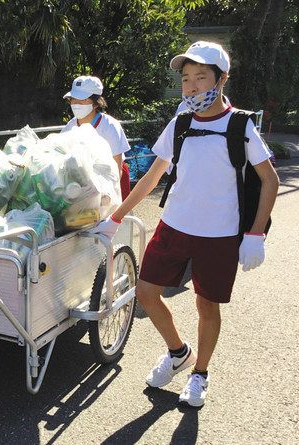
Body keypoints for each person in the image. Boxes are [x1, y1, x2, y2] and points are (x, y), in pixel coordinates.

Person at [92, 41, 279, 407]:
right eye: (186, 79)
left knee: (207, 306)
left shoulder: (240, 125)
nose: (192, 86)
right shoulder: (180, 123)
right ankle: (178, 352)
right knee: (145, 293)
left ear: (221, 79)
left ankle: (200, 374)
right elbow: (152, 178)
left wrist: (255, 234)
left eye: (200, 77)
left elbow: (270, 180)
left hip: (220, 235)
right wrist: (116, 217)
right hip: (174, 225)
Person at [61, 75, 132, 199]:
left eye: (81, 99)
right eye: (73, 99)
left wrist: (109, 192)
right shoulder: (70, 126)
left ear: (95, 103)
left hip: (112, 178)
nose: (75, 104)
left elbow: (117, 166)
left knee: (116, 217)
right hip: (82, 181)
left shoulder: (110, 126)